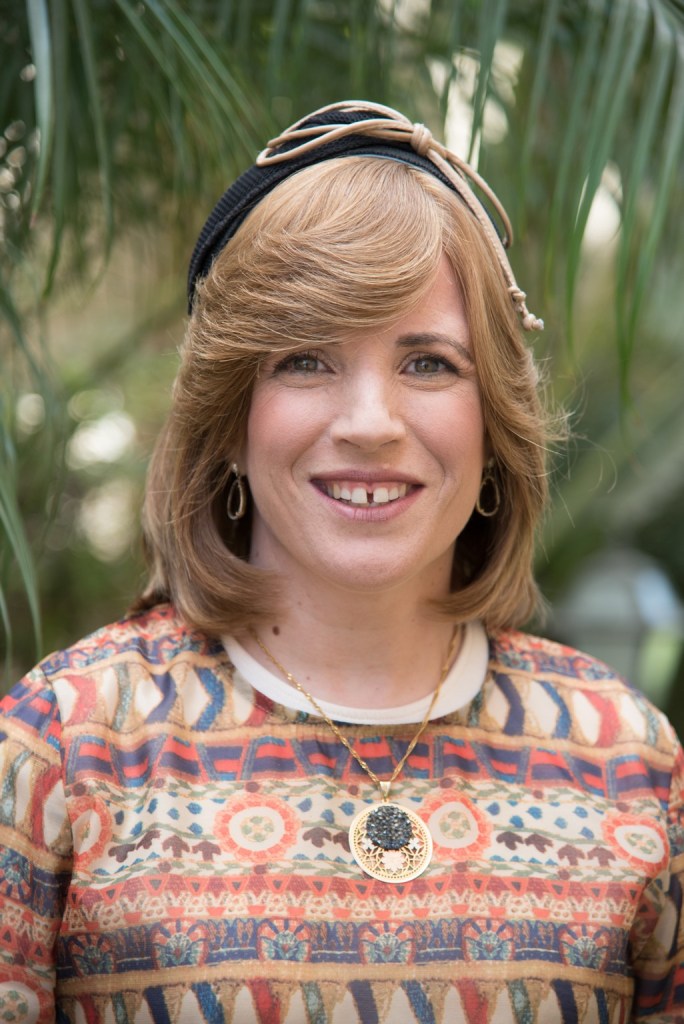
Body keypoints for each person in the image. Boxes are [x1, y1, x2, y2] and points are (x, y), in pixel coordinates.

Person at [0, 100, 682, 1024]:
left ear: (494, 427)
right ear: (229, 424)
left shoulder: (633, 762)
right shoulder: (61, 749)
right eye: (307, 359)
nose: (370, 423)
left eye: (429, 363)